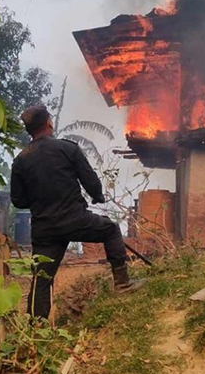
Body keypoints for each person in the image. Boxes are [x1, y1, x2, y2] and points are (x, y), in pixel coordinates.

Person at [10, 105, 145, 320]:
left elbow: (17, 200)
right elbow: (90, 180)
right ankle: (122, 283)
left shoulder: (20, 160)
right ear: (48, 124)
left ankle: (36, 331)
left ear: (29, 130)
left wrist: (40, 204)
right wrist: (97, 196)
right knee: (110, 229)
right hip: (75, 220)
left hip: (44, 230)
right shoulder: (67, 149)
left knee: (42, 279)